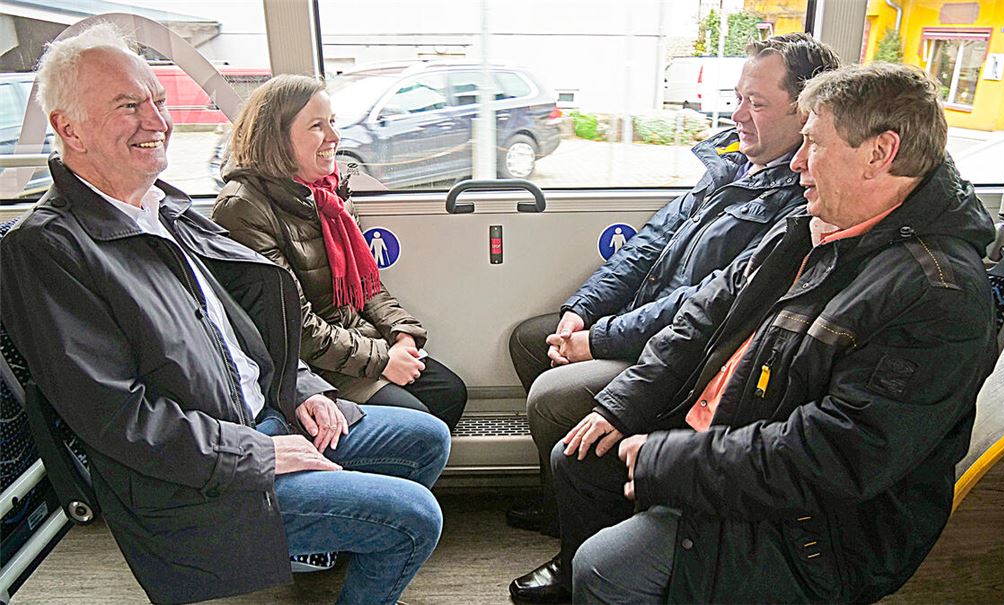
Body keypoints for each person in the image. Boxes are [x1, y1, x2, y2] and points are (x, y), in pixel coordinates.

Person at [510, 62, 999, 604]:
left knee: (608, 568)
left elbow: (836, 455)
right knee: (577, 458)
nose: (797, 164)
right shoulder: (814, 228)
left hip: (818, 528)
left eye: (813, 144)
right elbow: (703, 313)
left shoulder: (936, 294)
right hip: (733, 438)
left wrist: (670, 461)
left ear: (878, 153)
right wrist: (624, 404)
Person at [0, 24, 450, 605]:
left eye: (157, 101)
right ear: (68, 129)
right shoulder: (48, 249)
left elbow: (246, 328)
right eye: (127, 105)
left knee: (426, 438)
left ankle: (327, 543)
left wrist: (304, 388)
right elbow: (116, 417)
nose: (157, 121)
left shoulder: (166, 209)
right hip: (193, 476)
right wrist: (259, 452)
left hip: (263, 414)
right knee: (414, 517)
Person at [506, 33, 841, 537]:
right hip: (650, 321)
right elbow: (649, 245)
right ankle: (562, 500)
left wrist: (598, 340)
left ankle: (584, 527)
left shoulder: (799, 201)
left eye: (756, 103)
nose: (737, 116)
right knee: (531, 338)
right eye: (736, 98)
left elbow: (704, 304)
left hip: (687, 349)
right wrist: (582, 310)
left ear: (805, 113)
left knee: (553, 396)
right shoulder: (730, 166)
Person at [212, 76, 466, 431]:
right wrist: (382, 361)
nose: (334, 137)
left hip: (352, 340)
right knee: (418, 419)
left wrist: (401, 333)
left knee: (450, 392)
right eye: (317, 126)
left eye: (333, 122)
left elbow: (367, 286)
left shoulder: (329, 195)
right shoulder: (243, 209)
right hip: (308, 366)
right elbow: (293, 328)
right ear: (276, 137)